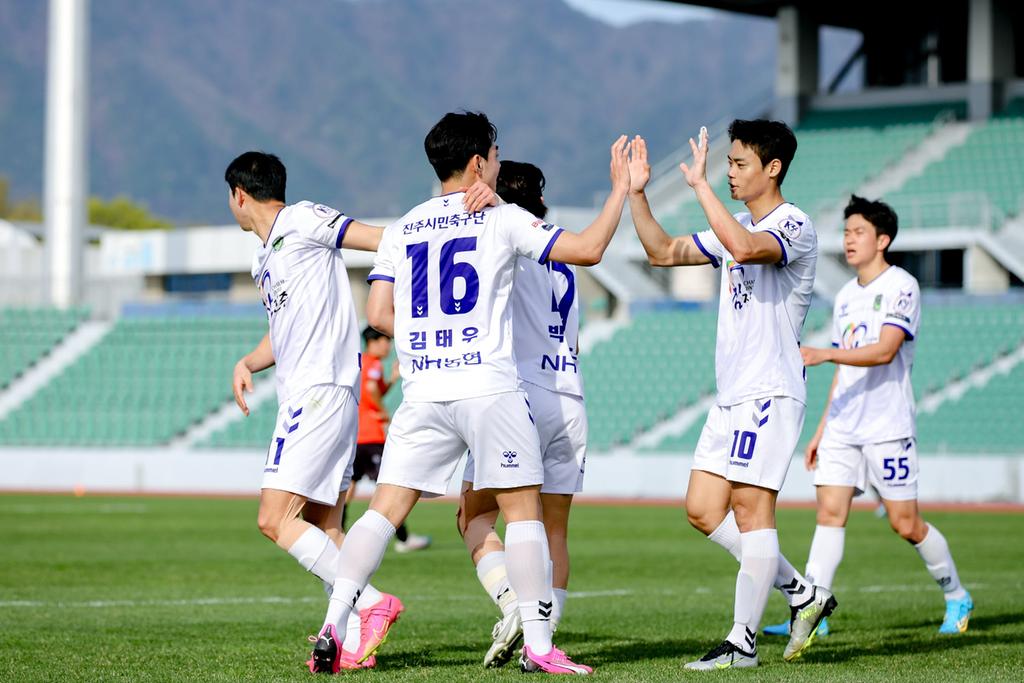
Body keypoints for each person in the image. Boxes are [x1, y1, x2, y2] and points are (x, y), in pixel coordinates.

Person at [310, 111, 633, 675]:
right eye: (496, 155)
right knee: (524, 512)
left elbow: (378, 312)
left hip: (424, 390)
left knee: (382, 512)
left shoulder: (403, 227)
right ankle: (539, 646)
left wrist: (429, 336)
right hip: (488, 386)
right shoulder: (502, 218)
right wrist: (622, 189)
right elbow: (588, 250)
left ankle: (333, 625)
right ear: (479, 161)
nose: (499, 164)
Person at [627, 124, 832, 670]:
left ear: (773, 168)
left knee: (749, 508)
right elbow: (662, 252)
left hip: (770, 388)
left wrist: (699, 186)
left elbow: (744, 248)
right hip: (733, 393)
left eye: (740, 163)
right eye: (729, 163)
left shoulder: (793, 225)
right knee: (701, 509)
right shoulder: (734, 224)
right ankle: (803, 595)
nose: (730, 173)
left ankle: (742, 643)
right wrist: (637, 193)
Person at [226, 150, 401, 672]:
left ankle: (372, 603)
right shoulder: (263, 259)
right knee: (326, 527)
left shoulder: (302, 219)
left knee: (273, 519)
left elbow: (381, 239)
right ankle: (351, 641)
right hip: (324, 393)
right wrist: (248, 362)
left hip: (318, 391)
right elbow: (280, 334)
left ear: (239, 194)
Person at [773, 195, 972, 635]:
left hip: (887, 425)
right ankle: (812, 613)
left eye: (858, 232)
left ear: (882, 240)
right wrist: (821, 430)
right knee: (829, 514)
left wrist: (824, 353)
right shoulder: (845, 296)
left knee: (905, 522)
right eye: (846, 232)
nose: (849, 239)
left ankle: (957, 594)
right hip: (843, 425)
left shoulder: (902, 286)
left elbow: (884, 351)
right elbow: (844, 370)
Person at [456, 161, 588, 667]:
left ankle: (515, 604)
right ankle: (543, 640)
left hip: (522, 395)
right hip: (569, 394)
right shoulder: (562, 256)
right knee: (555, 530)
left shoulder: (508, 241)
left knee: (474, 515)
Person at [344, 326, 432, 553]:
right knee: (390, 487)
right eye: (385, 341)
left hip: (356, 434)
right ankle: (404, 539)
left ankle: (338, 535)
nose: (388, 346)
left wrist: (391, 381)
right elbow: (372, 388)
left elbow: (371, 390)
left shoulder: (360, 363)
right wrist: (383, 413)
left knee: (349, 485)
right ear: (373, 342)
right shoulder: (373, 363)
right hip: (372, 435)